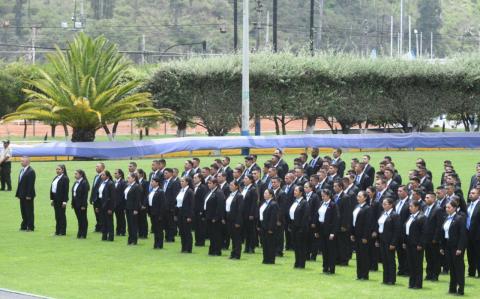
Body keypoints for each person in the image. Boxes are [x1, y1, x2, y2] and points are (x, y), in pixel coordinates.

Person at [440, 201, 467, 295]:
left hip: (456, 247)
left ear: (455, 208)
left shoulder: (459, 218)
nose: (447, 209)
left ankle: (461, 290)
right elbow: (444, 233)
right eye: (446, 208)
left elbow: (463, 235)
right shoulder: (446, 218)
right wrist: (442, 247)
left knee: (458, 268)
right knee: (451, 268)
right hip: (448, 246)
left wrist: (460, 248)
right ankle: (452, 288)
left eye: (449, 207)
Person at [376, 197, 400, 285]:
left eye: (385, 204)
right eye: (383, 204)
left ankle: (391, 279)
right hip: (382, 240)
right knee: (384, 260)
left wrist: (393, 243)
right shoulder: (383, 213)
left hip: (389, 241)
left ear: (391, 205)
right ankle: (385, 278)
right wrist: (378, 239)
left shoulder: (394, 215)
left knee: (390, 260)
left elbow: (396, 230)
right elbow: (380, 227)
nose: (383, 205)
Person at [402, 200, 426, 289]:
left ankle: (418, 284)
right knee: (411, 264)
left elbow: (424, 233)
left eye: (411, 206)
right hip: (409, 243)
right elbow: (406, 230)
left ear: (417, 207)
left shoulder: (422, 217)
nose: (409, 208)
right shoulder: (411, 216)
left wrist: (420, 244)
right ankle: (411, 283)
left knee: (417, 265)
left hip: (416, 245)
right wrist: (404, 242)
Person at [423, 192, 445, 281]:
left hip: (433, 239)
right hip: (426, 238)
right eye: (425, 197)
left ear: (433, 199)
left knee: (435, 257)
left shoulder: (438, 209)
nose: (425, 199)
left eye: (427, 197)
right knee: (428, 257)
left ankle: (435, 275)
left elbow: (439, 226)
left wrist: (436, 238)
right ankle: (429, 274)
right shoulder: (425, 208)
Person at [315, 189, 338, 274]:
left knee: (331, 250)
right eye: (322, 195)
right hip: (321, 228)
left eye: (324, 195)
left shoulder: (333, 205)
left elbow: (336, 220)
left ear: (328, 196)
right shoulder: (321, 203)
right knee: (324, 250)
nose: (322, 197)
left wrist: (333, 232)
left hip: (329, 229)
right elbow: (318, 216)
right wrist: (316, 230)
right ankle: (325, 267)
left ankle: (331, 268)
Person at [351, 190, 372, 280]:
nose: (357, 198)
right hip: (356, 234)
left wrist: (365, 236)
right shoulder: (357, 206)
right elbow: (353, 221)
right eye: (357, 196)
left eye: (360, 196)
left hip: (363, 235)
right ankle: (359, 274)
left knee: (364, 256)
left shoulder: (367, 208)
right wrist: (352, 233)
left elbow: (367, 224)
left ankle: (364, 275)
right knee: (358, 255)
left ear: (365, 198)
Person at [289, 185, 310, 269]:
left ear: (301, 193)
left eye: (296, 191)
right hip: (294, 226)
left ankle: (301, 263)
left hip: (301, 227)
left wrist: (302, 228)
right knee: (296, 246)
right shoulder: (295, 201)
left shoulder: (304, 202)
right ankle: (297, 261)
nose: (294, 192)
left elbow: (305, 216)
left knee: (301, 246)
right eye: (294, 191)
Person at [204, 178, 225, 256]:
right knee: (212, 235)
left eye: (210, 183)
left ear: (215, 184)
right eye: (208, 183)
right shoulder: (210, 192)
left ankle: (217, 251)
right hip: (209, 217)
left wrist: (216, 217)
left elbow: (220, 206)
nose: (208, 185)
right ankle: (212, 250)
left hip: (215, 218)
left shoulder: (219, 192)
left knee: (216, 235)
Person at [259, 189, 279, 264]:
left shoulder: (273, 204)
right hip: (263, 226)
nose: (264, 194)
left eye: (266, 193)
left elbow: (273, 217)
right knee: (264, 244)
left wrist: (271, 228)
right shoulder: (264, 203)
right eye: (264, 193)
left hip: (269, 227)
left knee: (270, 244)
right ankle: (265, 258)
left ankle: (270, 259)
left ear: (271, 195)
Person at [16, 156, 36, 232]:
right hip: (22, 195)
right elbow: (20, 183)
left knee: (29, 211)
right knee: (23, 211)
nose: (21, 162)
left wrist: (29, 195)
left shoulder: (31, 171)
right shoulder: (22, 170)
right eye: (21, 161)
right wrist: (18, 194)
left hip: (28, 196)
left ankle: (30, 227)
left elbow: (31, 185)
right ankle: (24, 225)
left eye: (22, 161)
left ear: (27, 162)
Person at [225, 180, 244, 259]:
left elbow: (240, 210)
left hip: (235, 219)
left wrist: (238, 221)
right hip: (229, 218)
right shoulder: (230, 195)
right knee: (232, 237)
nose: (230, 186)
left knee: (237, 238)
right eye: (230, 185)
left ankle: (237, 254)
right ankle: (233, 253)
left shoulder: (239, 196)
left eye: (232, 185)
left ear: (236, 186)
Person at [176, 177, 195, 253]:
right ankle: (183, 247)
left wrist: (189, 216)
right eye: (180, 181)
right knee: (182, 231)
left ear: (187, 182)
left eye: (183, 181)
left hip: (186, 213)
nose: (181, 183)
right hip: (180, 212)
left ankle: (188, 248)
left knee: (187, 231)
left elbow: (192, 205)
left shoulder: (190, 191)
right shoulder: (181, 190)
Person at [50, 164, 69, 236]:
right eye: (56, 169)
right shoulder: (56, 178)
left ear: (63, 170)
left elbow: (65, 191)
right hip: (55, 199)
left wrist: (64, 201)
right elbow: (52, 189)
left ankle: (62, 231)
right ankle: (57, 231)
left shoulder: (65, 178)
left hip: (61, 200)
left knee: (61, 215)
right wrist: (52, 199)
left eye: (59, 169)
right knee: (57, 216)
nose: (57, 171)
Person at [148, 177, 166, 249]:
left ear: (157, 183)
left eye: (153, 181)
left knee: (159, 230)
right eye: (151, 181)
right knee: (155, 229)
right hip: (152, 213)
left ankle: (160, 244)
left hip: (158, 214)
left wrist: (161, 215)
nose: (151, 183)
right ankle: (156, 243)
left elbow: (162, 204)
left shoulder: (160, 192)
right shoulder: (152, 191)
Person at [242, 174, 258, 254]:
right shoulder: (245, 188)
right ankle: (247, 247)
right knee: (246, 231)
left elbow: (254, 203)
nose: (244, 180)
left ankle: (251, 247)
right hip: (244, 213)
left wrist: (251, 214)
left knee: (251, 231)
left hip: (250, 214)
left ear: (251, 180)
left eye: (246, 178)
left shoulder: (253, 189)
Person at [124, 173, 142, 245]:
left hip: (133, 208)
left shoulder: (136, 186)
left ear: (134, 178)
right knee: (129, 224)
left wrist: (136, 209)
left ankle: (134, 240)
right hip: (128, 207)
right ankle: (130, 239)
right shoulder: (128, 186)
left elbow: (137, 199)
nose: (127, 179)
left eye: (129, 178)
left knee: (133, 225)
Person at [98, 171, 115, 241]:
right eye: (101, 175)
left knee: (109, 222)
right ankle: (104, 236)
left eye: (103, 175)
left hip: (108, 205)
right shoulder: (101, 183)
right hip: (102, 203)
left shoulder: (110, 183)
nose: (101, 176)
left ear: (107, 176)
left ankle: (110, 237)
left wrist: (110, 208)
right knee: (103, 221)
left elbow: (112, 197)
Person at [71, 169, 89, 239]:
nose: (75, 175)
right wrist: (73, 203)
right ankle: (79, 233)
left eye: (76, 174)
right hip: (76, 204)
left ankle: (83, 234)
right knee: (79, 219)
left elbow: (85, 196)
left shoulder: (84, 183)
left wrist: (83, 205)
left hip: (81, 205)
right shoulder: (76, 182)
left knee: (83, 219)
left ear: (81, 175)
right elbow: (73, 193)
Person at [193, 173, 208, 246]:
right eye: (193, 178)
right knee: (196, 226)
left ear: (200, 179)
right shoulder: (194, 187)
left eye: (195, 178)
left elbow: (203, 200)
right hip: (195, 210)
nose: (194, 179)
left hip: (200, 210)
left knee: (201, 227)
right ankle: (197, 240)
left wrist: (202, 211)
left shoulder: (203, 187)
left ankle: (201, 241)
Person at [90, 162, 105, 232]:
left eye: (98, 166)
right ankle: (98, 227)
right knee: (97, 214)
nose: (96, 168)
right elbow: (94, 188)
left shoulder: (104, 176)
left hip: (100, 199)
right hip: (95, 199)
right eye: (96, 166)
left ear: (102, 168)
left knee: (101, 213)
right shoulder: (96, 176)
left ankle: (102, 227)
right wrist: (91, 198)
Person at [113, 169, 127, 236]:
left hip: (121, 204)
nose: (115, 174)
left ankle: (123, 231)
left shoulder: (123, 182)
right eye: (114, 173)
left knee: (122, 218)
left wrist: (124, 205)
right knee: (117, 217)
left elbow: (124, 194)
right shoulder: (114, 182)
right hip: (115, 204)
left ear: (120, 174)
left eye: (116, 173)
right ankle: (118, 231)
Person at [137, 169, 149, 239]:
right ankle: (140, 233)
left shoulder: (145, 182)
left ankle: (144, 234)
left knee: (143, 219)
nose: (136, 175)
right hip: (137, 204)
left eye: (137, 173)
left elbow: (146, 194)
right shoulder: (136, 182)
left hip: (142, 204)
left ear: (141, 174)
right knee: (138, 219)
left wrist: (144, 204)